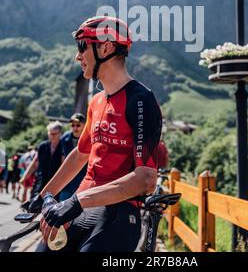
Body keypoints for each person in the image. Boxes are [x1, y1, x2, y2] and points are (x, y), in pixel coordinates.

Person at [29, 16, 162, 252]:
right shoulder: (97, 101)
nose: (77, 56)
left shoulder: (141, 101)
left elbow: (146, 179)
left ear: (106, 47)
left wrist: (76, 202)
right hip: (81, 206)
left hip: (118, 210)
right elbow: (81, 154)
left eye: (82, 46)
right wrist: (44, 195)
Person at [21, 121, 64, 198]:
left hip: (55, 184)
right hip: (40, 182)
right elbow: (35, 163)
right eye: (50, 133)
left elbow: (65, 166)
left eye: (54, 134)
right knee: (34, 206)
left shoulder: (64, 147)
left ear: (60, 133)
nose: (52, 136)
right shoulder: (43, 146)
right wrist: (24, 177)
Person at [59, 113, 87, 201]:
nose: (75, 128)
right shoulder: (64, 138)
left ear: (85, 125)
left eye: (78, 125)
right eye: (72, 125)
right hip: (67, 181)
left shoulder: (89, 137)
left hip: (83, 179)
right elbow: (63, 157)